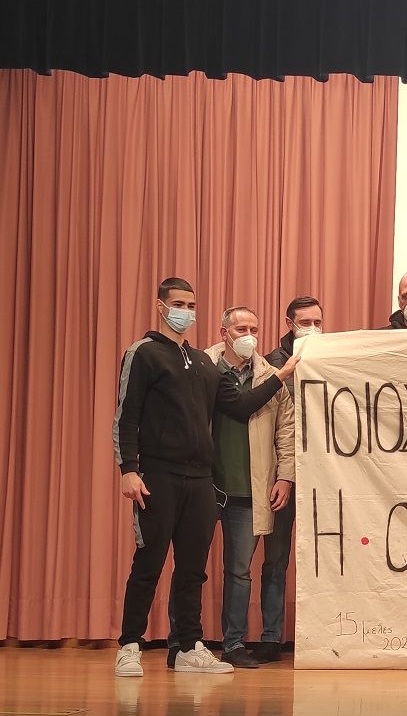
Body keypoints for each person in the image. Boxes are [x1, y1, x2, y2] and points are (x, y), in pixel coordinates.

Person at [114, 277, 299, 678]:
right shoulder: (143, 353)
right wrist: (128, 469)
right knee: (149, 562)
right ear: (161, 306)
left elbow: (241, 405)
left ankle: (188, 647)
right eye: (178, 304)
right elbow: (126, 415)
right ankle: (129, 645)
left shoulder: (202, 363)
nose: (185, 312)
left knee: (192, 568)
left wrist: (281, 375)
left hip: (201, 481)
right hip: (159, 475)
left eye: (191, 305)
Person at [204, 306, 296, 669]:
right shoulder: (203, 368)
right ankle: (183, 642)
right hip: (204, 485)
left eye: (254, 329)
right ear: (224, 332)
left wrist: (285, 476)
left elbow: (286, 431)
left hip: (249, 489)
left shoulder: (269, 375)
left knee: (239, 570)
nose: (248, 336)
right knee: (189, 566)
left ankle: (233, 643)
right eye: (241, 328)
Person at [254, 295, 324, 661]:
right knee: (276, 560)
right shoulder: (270, 365)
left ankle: (325, 636)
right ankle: (271, 638)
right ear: (289, 324)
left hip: (325, 478)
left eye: (318, 322)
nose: (312, 329)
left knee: (326, 558)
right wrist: (282, 473)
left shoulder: (332, 358)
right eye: (305, 322)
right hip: (284, 477)